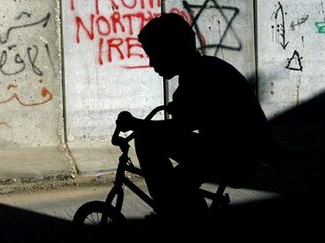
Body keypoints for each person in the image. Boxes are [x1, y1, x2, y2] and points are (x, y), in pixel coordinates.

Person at [116, 13, 275, 220]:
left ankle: (174, 213)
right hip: (232, 150)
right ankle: (180, 211)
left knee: (147, 140)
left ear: (172, 50)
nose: (151, 63)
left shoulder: (200, 76)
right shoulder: (203, 69)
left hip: (235, 156)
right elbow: (193, 116)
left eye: (154, 54)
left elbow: (180, 127)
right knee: (173, 170)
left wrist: (137, 124)